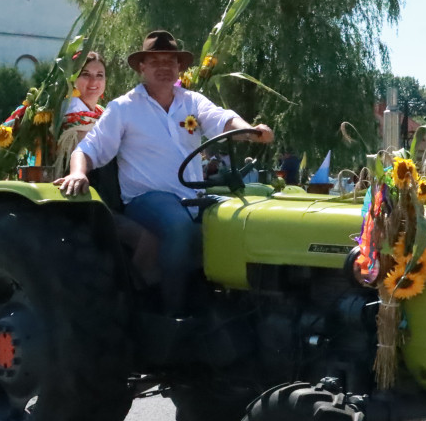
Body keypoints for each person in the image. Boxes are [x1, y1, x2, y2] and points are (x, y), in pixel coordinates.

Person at [55, 30, 274, 315]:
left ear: (179, 68)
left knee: (245, 218)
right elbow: (87, 149)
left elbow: (222, 119)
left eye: (170, 61)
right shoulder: (124, 108)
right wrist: (78, 173)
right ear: (142, 67)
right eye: (155, 61)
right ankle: (170, 311)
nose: (163, 67)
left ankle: (236, 305)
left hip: (194, 196)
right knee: (178, 226)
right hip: (146, 199)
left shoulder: (192, 102)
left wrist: (251, 130)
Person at [55, 51, 107, 175]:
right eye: (85, 74)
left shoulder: (101, 112)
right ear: (73, 79)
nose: (94, 81)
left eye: (99, 75)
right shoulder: (68, 109)